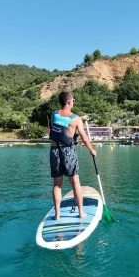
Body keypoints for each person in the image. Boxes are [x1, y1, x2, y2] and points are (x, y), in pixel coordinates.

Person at [49, 91, 96, 220]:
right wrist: (91, 149)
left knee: (57, 184)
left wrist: (79, 118)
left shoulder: (53, 114)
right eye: (73, 101)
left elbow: (62, 122)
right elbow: (84, 138)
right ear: (69, 102)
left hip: (54, 150)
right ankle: (81, 212)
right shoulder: (76, 119)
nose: (73, 103)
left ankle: (57, 214)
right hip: (68, 151)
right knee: (75, 182)